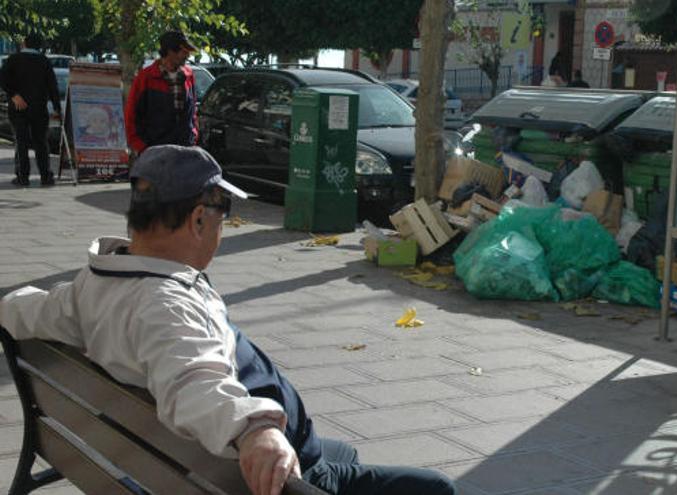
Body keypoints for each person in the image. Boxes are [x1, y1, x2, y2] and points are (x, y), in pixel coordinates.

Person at [0, 145, 456, 495]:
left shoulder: (96, 281)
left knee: (347, 450)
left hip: (182, 454)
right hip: (263, 471)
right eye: (224, 214)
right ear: (199, 219)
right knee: (435, 487)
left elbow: (26, 309)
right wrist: (254, 432)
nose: (223, 227)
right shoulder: (167, 308)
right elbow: (192, 380)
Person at [0, 33, 61, 187]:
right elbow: (53, 86)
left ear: (24, 44)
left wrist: (13, 95)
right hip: (39, 108)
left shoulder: (13, 60)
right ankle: (45, 176)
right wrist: (56, 108)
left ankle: (22, 176)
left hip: (18, 107)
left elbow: (3, 80)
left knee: (21, 142)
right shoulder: (44, 61)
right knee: (41, 142)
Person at [125, 31, 199, 155]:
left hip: (184, 149)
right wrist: (141, 146)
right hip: (154, 152)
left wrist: (193, 136)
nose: (187, 56)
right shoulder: (146, 77)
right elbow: (131, 114)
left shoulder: (189, 75)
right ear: (170, 51)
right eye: (184, 52)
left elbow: (193, 112)